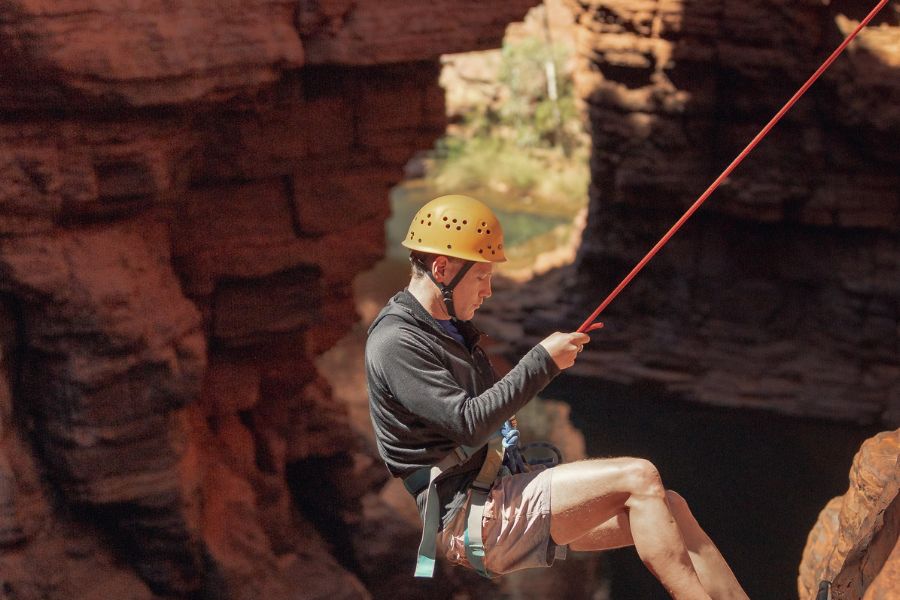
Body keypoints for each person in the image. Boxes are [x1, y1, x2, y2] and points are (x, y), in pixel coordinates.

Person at [365, 195, 748, 599]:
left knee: (670, 506)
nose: (489, 291)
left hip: (501, 496)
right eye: (481, 278)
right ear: (441, 269)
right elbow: (469, 423)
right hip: (473, 516)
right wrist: (542, 361)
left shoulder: (447, 330)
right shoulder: (396, 341)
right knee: (640, 476)